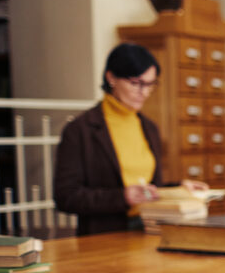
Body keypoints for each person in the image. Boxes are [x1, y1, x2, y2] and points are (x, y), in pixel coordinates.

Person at [53, 42, 207, 236]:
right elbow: (65, 196)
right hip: (105, 237)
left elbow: (150, 188)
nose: (144, 92)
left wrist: (178, 188)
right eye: (136, 83)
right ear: (111, 78)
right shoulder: (80, 130)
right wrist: (122, 197)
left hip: (149, 229)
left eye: (150, 84)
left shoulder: (149, 128)